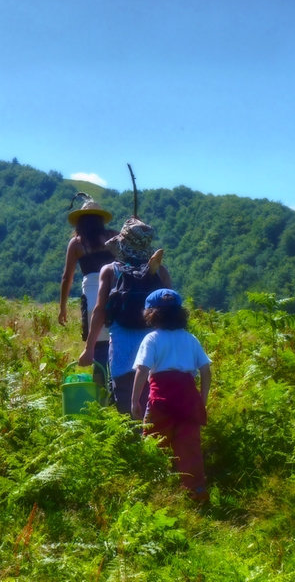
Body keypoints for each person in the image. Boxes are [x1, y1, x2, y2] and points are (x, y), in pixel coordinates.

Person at [79, 217, 171, 418]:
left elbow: (99, 311)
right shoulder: (161, 272)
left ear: (122, 245)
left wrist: (89, 349)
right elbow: (172, 313)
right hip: (155, 355)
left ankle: (133, 446)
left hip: (122, 354)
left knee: (127, 411)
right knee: (153, 410)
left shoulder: (110, 270)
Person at [131, 288, 211, 502]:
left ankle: (153, 491)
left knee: (154, 445)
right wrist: (202, 400)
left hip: (161, 400)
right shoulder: (190, 338)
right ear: (179, 313)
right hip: (188, 398)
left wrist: (135, 400)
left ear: (151, 313)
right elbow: (205, 370)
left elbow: (142, 370)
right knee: (189, 448)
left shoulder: (152, 338)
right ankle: (197, 493)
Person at [59, 193, 117, 394]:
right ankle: (118, 393)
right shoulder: (113, 237)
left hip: (92, 297)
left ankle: (101, 395)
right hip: (115, 293)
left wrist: (62, 308)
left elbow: (67, 277)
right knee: (116, 344)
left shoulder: (77, 243)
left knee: (97, 348)